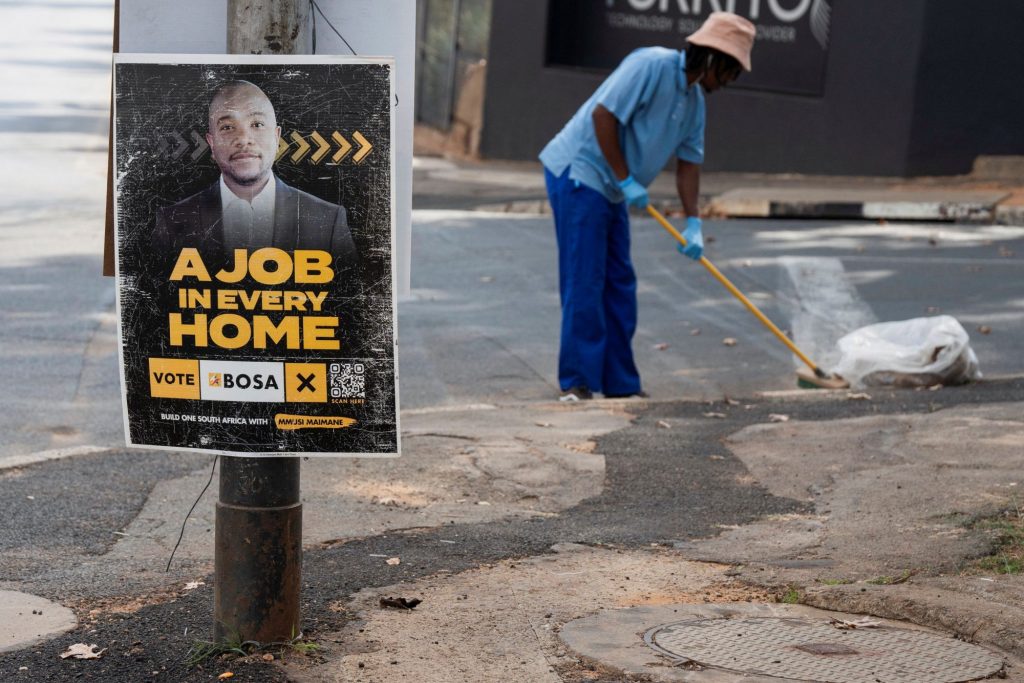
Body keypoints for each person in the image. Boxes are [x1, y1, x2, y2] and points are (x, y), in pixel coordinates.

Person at [540, 12, 755, 401]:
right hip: (579, 172)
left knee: (621, 282)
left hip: (615, 189)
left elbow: (689, 165)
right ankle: (579, 381)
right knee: (586, 278)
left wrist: (694, 223)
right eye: (730, 72)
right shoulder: (650, 64)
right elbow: (603, 115)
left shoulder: (694, 105)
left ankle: (621, 383)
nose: (729, 83)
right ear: (712, 59)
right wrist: (625, 178)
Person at [154, 80, 357, 273]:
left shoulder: (328, 220)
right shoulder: (172, 222)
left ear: (277, 137)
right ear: (211, 143)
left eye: (257, 124)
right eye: (227, 127)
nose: (243, 139)